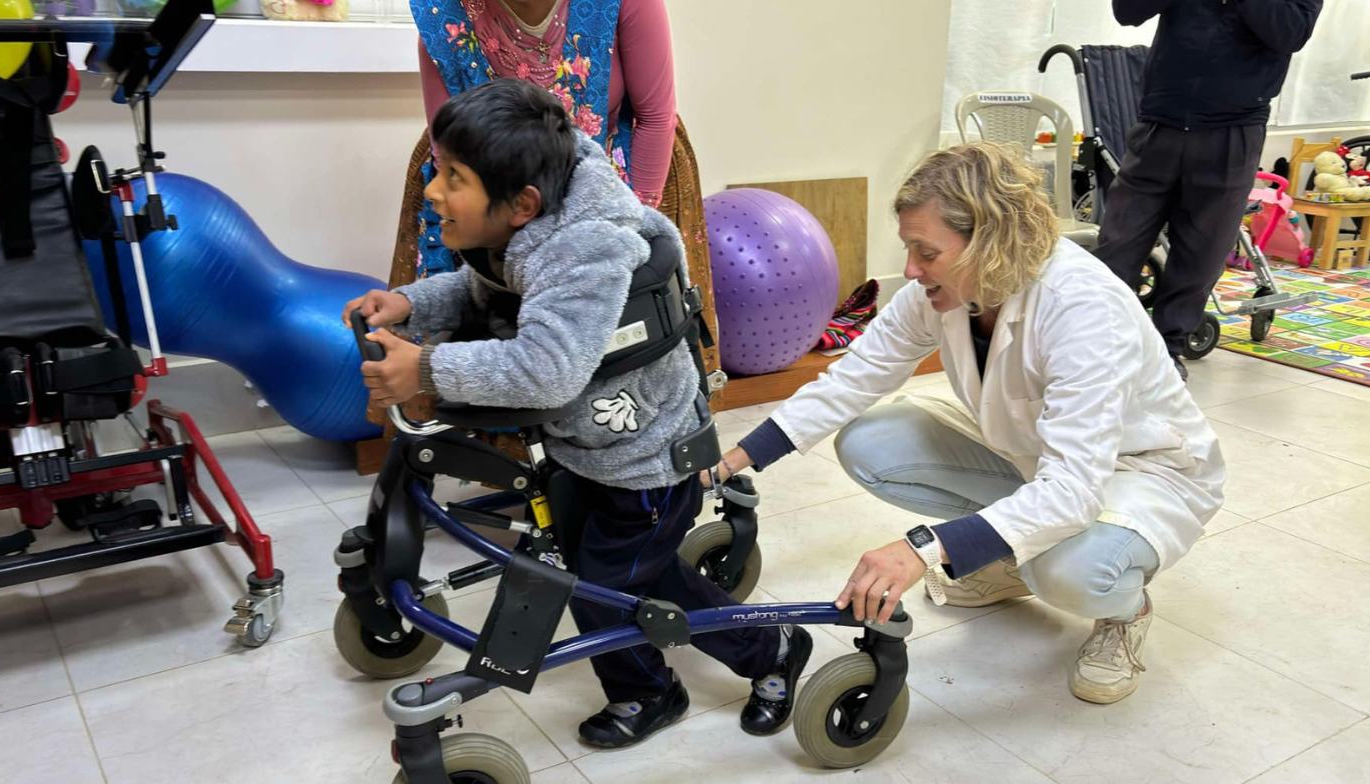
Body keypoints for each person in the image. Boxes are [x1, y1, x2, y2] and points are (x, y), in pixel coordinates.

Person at [344, 80, 811, 749]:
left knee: (602, 586)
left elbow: (546, 367)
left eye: (453, 177)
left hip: (646, 458)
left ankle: (665, 686)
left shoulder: (585, 249)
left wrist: (422, 368)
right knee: (637, 575)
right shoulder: (529, 220)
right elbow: (487, 292)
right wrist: (410, 304)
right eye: (438, 170)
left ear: (520, 204)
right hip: (590, 445)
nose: (435, 190)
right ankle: (767, 644)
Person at [712, 143, 1225, 704]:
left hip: (1141, 473)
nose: (909, 270)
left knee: (1070, 572)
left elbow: (1076, 489)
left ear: (989, 242)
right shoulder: (944, 292)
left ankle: (1124, 612)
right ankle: (1013, 558)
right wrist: (734, 459)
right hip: (1036, 458)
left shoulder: (1083, 309)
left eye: (924, 252)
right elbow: (853, 378)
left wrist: (922, 549)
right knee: (870, 442)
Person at [1093, 0, 1322, 380]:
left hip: (1234, 129)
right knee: (1118, 244)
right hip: (1159, 122)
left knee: (1201, 254)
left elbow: (1290, 33)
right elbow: (1127, 10)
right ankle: (1095, 344)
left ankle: (1166, 353)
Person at [410, 0, 677, 279]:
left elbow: (655, 118)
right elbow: (448, 145)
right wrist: (501, 246)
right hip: (495, 213)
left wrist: (628, 226)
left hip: (610, 198)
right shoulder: (441, 14)